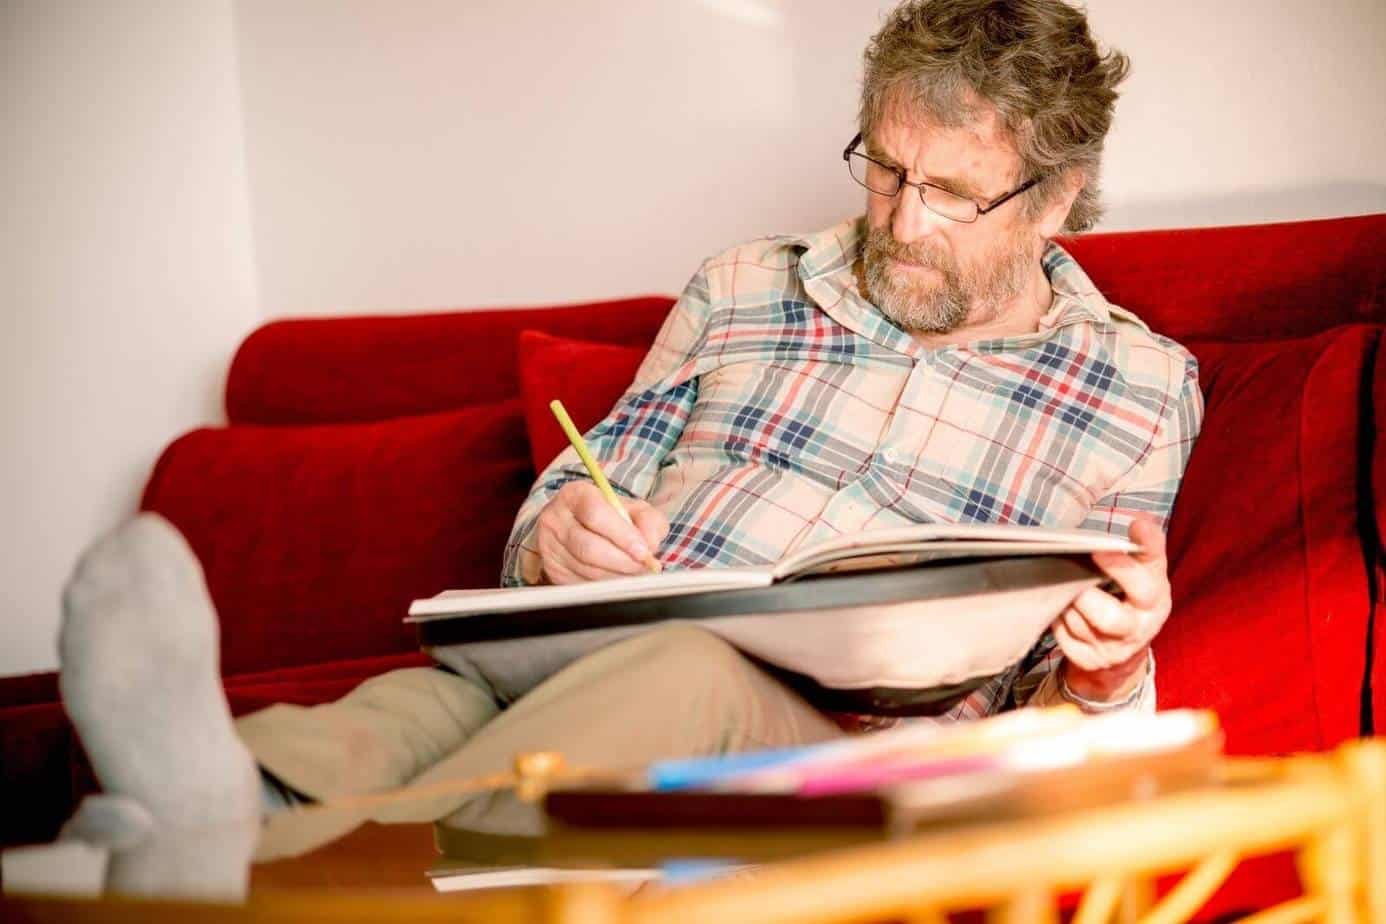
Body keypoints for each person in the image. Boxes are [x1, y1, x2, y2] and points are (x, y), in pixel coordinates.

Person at [55, 0, 1201, 900]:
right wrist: (558, 539)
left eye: (950, 192)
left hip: (848, 775)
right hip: (611, 667)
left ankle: (331, 880)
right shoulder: (743, 285)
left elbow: (1084, 723)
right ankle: (190, 819)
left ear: (1055, 201)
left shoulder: (1138, 387)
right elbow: (580, 479)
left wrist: (1110, 666)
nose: (900, 222)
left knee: (687, 678)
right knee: (434, 706)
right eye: (888, 169)